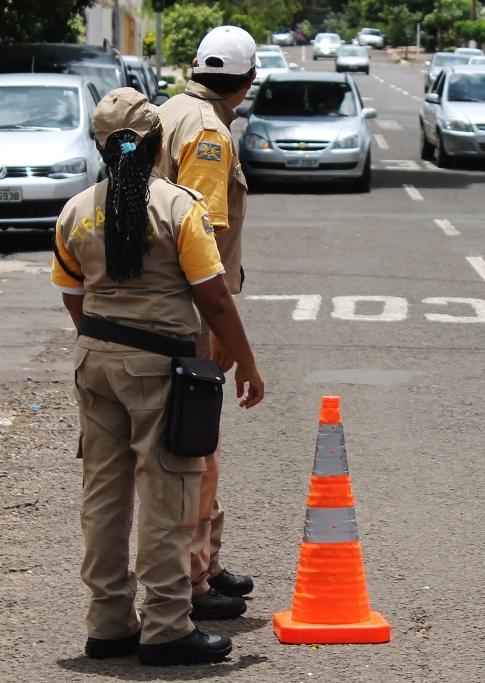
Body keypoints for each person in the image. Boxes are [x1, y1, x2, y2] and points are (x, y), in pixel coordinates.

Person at [51, 87, 265, 665]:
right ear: (156, 142)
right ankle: (168, 625)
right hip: (159, 369)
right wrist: (246, 362)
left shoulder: (76, 211)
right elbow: (214, 300)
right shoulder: (177, 207)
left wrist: (106, 338)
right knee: (167, 493)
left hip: (94, 363)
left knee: (104, 494)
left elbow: (74, 298)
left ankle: (108, 624)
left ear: (102, 147)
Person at [157, 25, 257, 621]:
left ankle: (207, 563)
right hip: (190, 307)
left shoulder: (171, 110)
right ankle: (194, 579)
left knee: (195, 441)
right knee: (199, 446)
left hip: (161, 302)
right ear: (247, 82)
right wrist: (221, 325)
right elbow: (205, 235)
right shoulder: (210, 133)